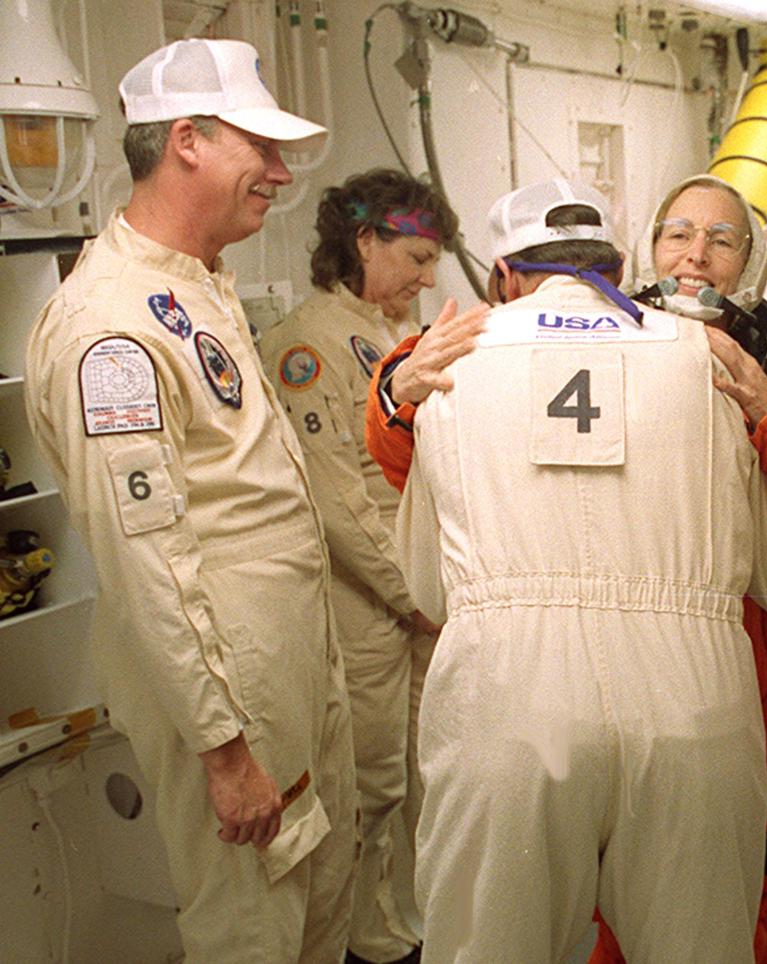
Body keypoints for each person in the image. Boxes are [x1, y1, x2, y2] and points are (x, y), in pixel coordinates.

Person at [366, 174, 767, 963]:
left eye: (722, 240)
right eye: (679, 234)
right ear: (628, 260)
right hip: (699, 695)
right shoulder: (706, 371)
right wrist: (392, 392)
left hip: (534, 691)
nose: (697, 255)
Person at [24, 38, 357, 960]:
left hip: (285, 660)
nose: (282, 173)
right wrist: (222, 748)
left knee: (319, 903)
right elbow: (147, 555)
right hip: (229, 688)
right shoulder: (113, 327)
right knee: (251, 927)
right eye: (264, 147)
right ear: (189, 141)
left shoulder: (197, 287)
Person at [260, 169, 456, 964]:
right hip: (369, 606)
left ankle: (411, 923)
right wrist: (413, 596)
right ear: (363, 240)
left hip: (417, 596)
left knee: (426, 774)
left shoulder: (388, 337)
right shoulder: (305, 345)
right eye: (414, 256)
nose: (427, 276)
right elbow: (340, 500)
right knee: (372, 786)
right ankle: (368, 944)